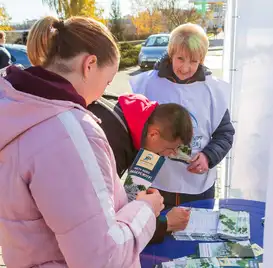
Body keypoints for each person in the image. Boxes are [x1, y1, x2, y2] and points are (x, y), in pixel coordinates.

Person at [0, 16, 164, 268]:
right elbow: (101, 258)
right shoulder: (68, 131)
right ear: (89, 64)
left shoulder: (15, 108)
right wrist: (145, 209)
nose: (101, 93)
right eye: (108, 81)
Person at [130, 23, 235, 209]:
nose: (185, 67)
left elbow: (225, 133)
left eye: (194, 61)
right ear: (171, 54)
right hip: (156, 182)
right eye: (180, 58)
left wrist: (208, 156)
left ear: (202, 60)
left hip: (198, 186)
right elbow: (133, 129)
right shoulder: (147, 84)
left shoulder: (212, 90)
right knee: (158, 232)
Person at [88, 92, 192, 243]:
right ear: (153, 134)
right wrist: (163, 224)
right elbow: (103, 225)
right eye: (171, 148)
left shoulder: (132, 116)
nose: (170, 154)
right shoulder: (113, 142)